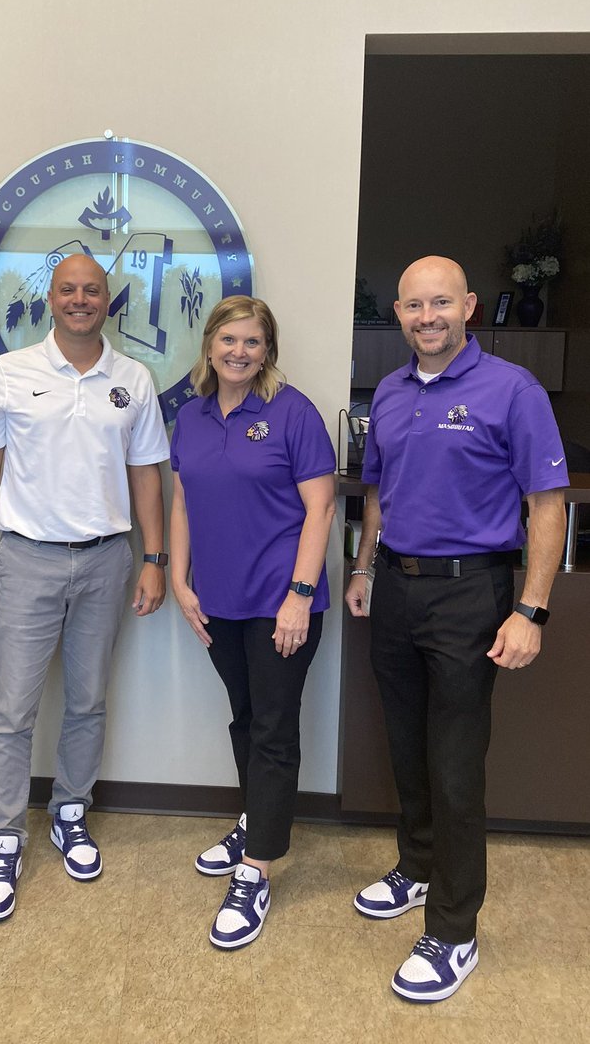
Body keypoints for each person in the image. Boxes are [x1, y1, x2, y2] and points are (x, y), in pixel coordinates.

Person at [345, 256, 567, 1002]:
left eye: (441, 302)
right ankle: (417, 866)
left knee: (456, 763)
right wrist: (365, 567)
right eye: (414, 305)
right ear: (400, 314)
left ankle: (453, 930)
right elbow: (379, 491)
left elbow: (547, 504)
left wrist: (530, 610)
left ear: (469, 306)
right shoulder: (393, 389)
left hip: (472, 593)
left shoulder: (513, 390)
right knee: (406, 747)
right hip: (398, 592)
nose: (427, 316)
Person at [0, 252, 169, 922]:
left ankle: (71, 812)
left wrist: (155, 557)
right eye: (68, 290)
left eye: (93, 290)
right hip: (24, 559)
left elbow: (147, 477)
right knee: (12, 710)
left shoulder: (133, 378)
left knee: (87, 701)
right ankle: (5, 838)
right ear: (49, 298)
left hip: (107, 559)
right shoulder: (11, 372)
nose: (80, 299)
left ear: (110, 301)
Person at [170, 295, 336, 949]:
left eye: (254, 342)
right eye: (230, 340)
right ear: (210, 344)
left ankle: (256, 867)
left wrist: (298, 595)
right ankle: (255, 818)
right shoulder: (192, 415)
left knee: (272, 727)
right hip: (218, 603)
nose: (240, 352)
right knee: (245, 717)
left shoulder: (292, 413)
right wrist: (182, 582)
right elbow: (181, 500)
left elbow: (319, 510)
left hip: (279, 606)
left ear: (269, 351)